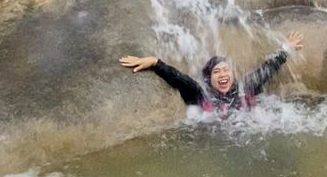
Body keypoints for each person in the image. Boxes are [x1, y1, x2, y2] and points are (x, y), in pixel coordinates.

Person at [119, 31, 304, 114]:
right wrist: (155, 63)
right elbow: (180, 80)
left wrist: (286, 49)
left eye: (226, 70)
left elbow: (267, 69)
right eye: (216, 72)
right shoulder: (201, 95)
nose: (223, 74)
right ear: (209, 79)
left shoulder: (244, 88)